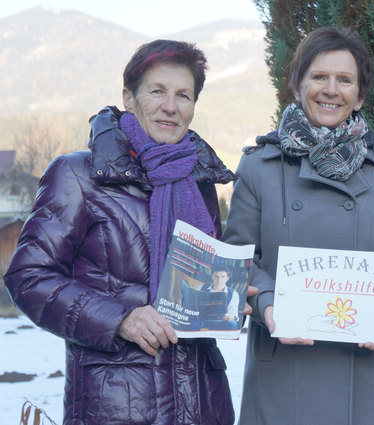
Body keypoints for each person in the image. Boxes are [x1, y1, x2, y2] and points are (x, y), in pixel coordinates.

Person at [4, 40, 242, 425]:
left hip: (202, 403)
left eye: (184, 95)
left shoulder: (199, 183)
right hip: (116, 404)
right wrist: (120, 319)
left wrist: (228, 303)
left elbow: (200, 288)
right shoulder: (78, 175)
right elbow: (27, 277)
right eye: (157, 91)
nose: (171, 106)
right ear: (128, 98)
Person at [223, 27, 374, 425]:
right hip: (288, 368)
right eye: (319, 77)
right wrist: (268, 305)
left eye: (345, 80)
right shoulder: (258, 167)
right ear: (298, 84)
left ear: (361, 94)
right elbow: (239, 261)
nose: (331, 90)